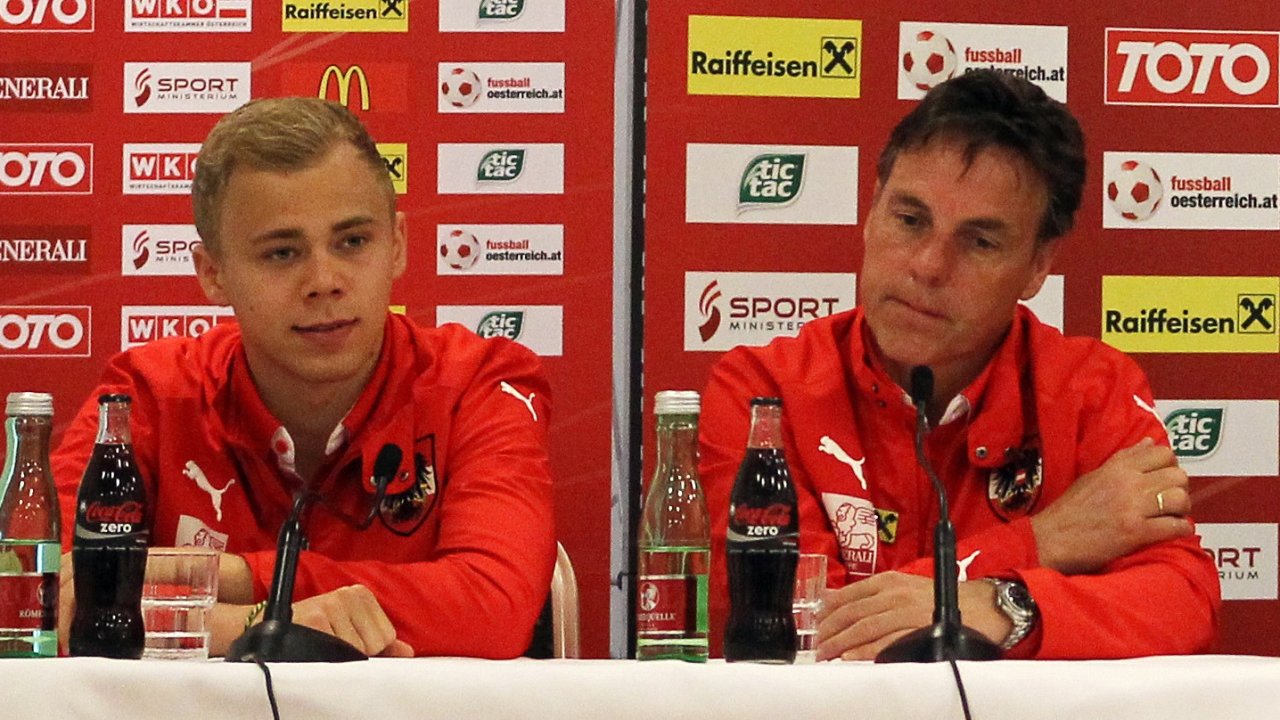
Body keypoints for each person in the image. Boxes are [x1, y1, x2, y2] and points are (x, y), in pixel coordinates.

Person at [698, 70, 1220, 660]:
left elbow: (1183, 602)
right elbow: (800, 625)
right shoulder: (764, 391)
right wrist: (1041, 543)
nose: (928, 265)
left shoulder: (1092, 390)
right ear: (871, 214)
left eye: (979, 242)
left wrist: (1004, 604)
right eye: (910, 219)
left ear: (1037, 266)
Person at [52, 97, 556, 658]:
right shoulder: (149, 392)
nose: (324, 280)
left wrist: (241, 576)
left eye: (353, 242)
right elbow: (39, 595)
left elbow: (495, 610)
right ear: (212, 274)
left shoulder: (480, 383)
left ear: (398, 246)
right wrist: (264, 619)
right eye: (282, 252)